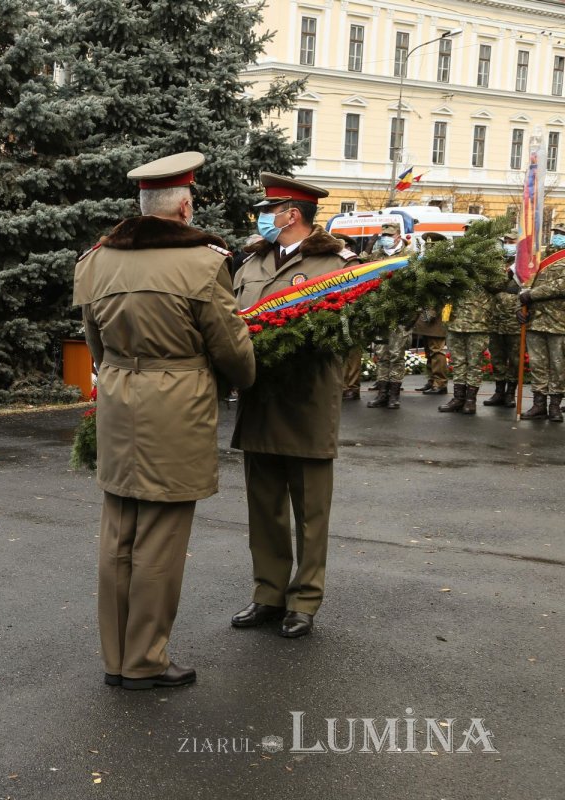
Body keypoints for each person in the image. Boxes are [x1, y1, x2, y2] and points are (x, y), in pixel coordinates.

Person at [74, 152, 255, 690]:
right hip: (176, 406)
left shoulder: (96, 262)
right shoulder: (203, 263)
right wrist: (243, 376)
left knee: (118, 533)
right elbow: (233, 352)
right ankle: (146, 660)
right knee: (160, 538)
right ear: (184, 207)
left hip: (118, 401)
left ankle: (117, 658)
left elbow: (96, 346)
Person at [231, 173, 358, 639]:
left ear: (293, 214)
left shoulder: (336, 263)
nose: (263, 216)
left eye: (271, 209)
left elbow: (351, 337)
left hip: (306, 400)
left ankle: (304, 599)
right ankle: (267, 593)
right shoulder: (251, 264)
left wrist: (335, 381)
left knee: (310, 510)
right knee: (263, 506)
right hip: (260, 398)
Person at [440, 234, 510, 415]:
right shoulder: (457, 265)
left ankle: (470, 400)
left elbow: (500, 284)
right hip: (456, 321)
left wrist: (477, 269)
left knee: (474, 363)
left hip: (478, 321)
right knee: (458, 362)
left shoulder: (491, 266)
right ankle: (458, 398)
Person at [365, 222, 412, 410]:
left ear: (398, 236)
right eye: (384, 234)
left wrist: (413, 314)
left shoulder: (409, 257)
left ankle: (394, 395)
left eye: (390, 235)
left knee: (396, 355)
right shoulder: (376, 256)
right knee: (381, 354)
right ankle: (382, 393)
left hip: (400, 314)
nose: (386, 238)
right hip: (380, 313)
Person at [518, 253, 565, 421]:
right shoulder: (538, 259)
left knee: (558, 367)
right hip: (535, 322)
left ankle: (555, 406)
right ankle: (539, 405)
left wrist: (531, 295)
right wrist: (519, 308)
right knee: (538, 365)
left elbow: (560, 286)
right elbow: (524, 286)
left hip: (559, 324)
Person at [486, 236, 522, 409]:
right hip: (496, 319)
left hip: (514, 321)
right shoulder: (494, 263)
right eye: (506, 241)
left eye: (512, 241)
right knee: (497, 357)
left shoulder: (524, 264)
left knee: (515, 360)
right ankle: (499, 391)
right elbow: (490, 286)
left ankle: (510, 394)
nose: (509, 244)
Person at [413, 233, 450, 395]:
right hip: (425, 311)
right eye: (427, 247)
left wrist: (434, 311)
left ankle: (440, 382)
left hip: (439, 311)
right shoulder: (426, 265)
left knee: (437, 349)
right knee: (428, 349)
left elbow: (446, 292)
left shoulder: (445, 266)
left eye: (432, 247)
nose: (429, 250)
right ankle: (432, 379)